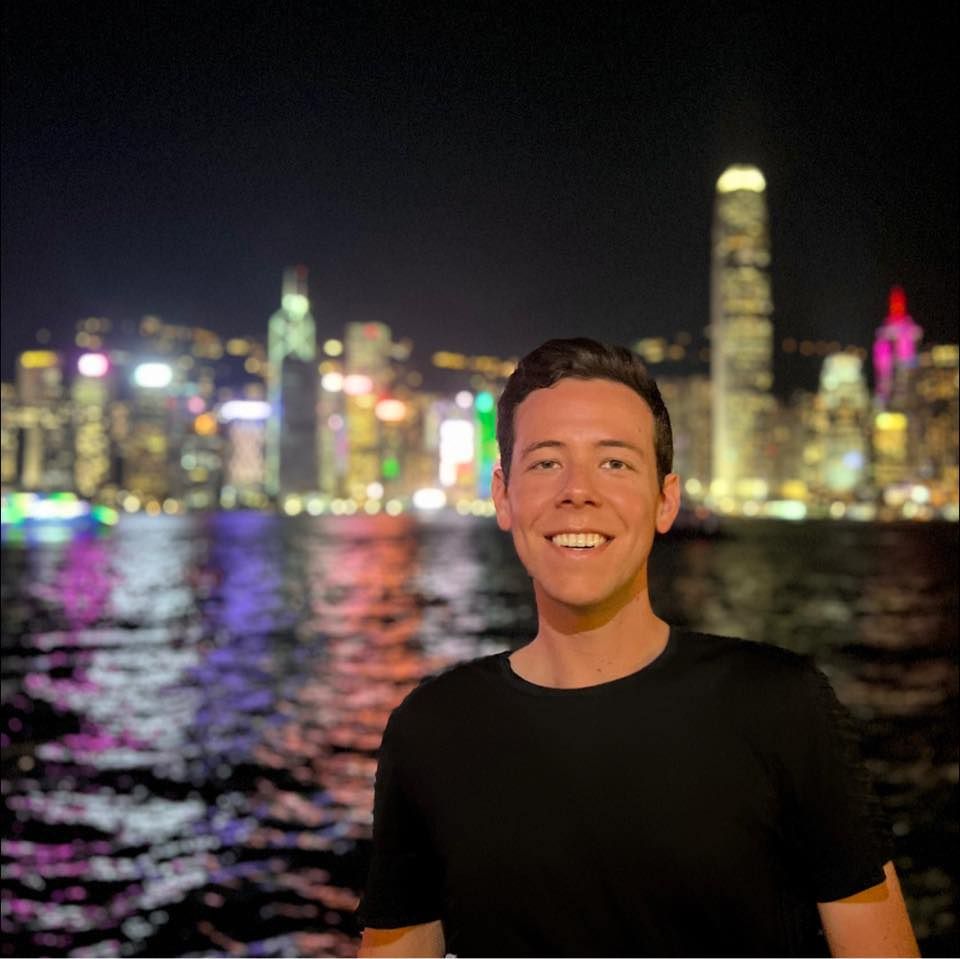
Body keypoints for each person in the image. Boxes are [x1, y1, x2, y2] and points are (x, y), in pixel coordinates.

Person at [356, 338, 920, 957]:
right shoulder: (431, 731)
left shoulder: (782, 708)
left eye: (615, 464)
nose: (578, 490)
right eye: (546, 463)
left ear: (665, 501)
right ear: (503, 496)